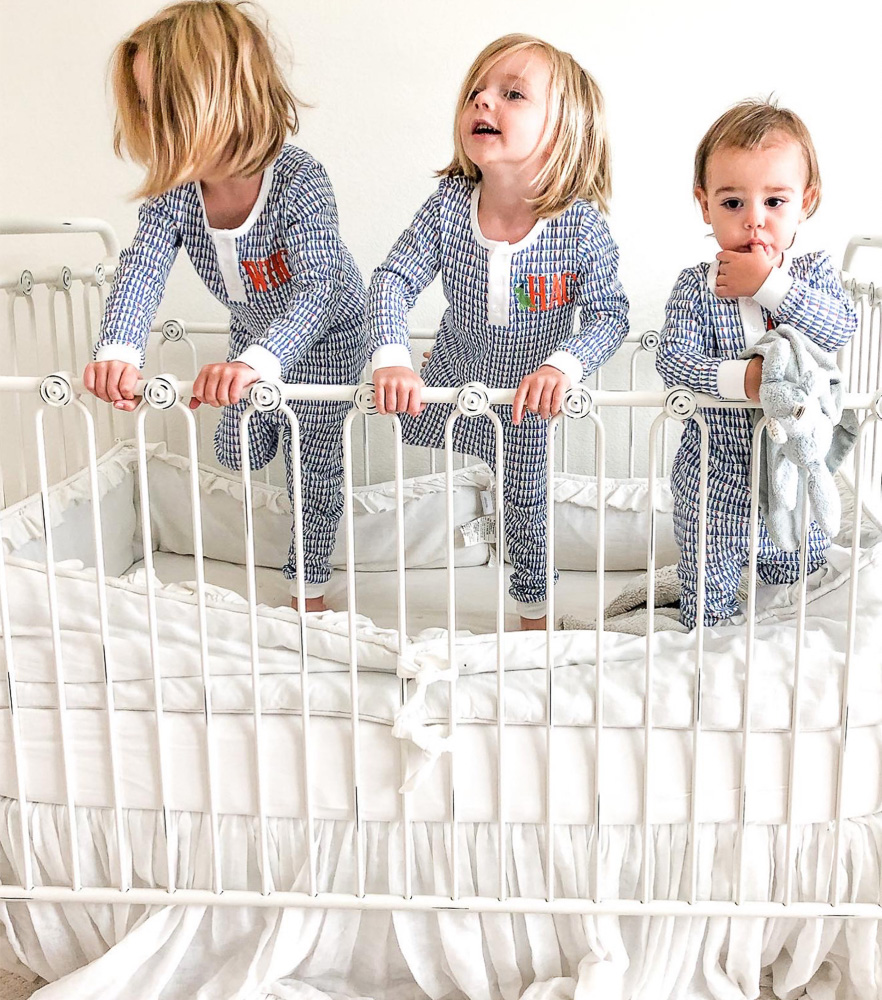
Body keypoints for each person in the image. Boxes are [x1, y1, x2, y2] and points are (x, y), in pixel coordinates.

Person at [83, 0, 366, 613]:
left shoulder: (298, 179)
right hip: (254, 326)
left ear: (220, 98)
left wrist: (261, 363)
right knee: (235, 447)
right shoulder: (176, 193)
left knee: (310, 460)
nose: (155, 123)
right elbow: (143, 266)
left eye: (167, 107)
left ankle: (308, 591)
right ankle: (264, 413)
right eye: (146, 109)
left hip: (327, 330)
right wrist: (119, 350)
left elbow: (317, 289)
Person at [366, 33, 628, 630]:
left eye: (512, 94)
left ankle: (533, 620)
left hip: (526, 396)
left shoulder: (579, 224)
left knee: (528, 505)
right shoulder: (449, 205)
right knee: (415, 434)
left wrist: (562, 366)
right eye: (476, 93)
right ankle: (469, 517)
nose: (485, 103)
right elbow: (391, 281)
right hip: (453, 378)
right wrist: (391, 355)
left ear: (564, 131)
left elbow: (610, 314)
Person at [656, 99, 857, 629]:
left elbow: (839, 328)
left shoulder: (813, 275)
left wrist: (769, 284)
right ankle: (709, 641)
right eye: (732, 203)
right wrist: (744, 380)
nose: (754, 220)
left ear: (805, 202)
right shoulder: (696, 287)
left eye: (774, 200)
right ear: (704, 204)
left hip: (796, 465)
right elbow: (674, 360)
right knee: (707, 578)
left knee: (803, 571)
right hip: (713, 471)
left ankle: (784, 648)